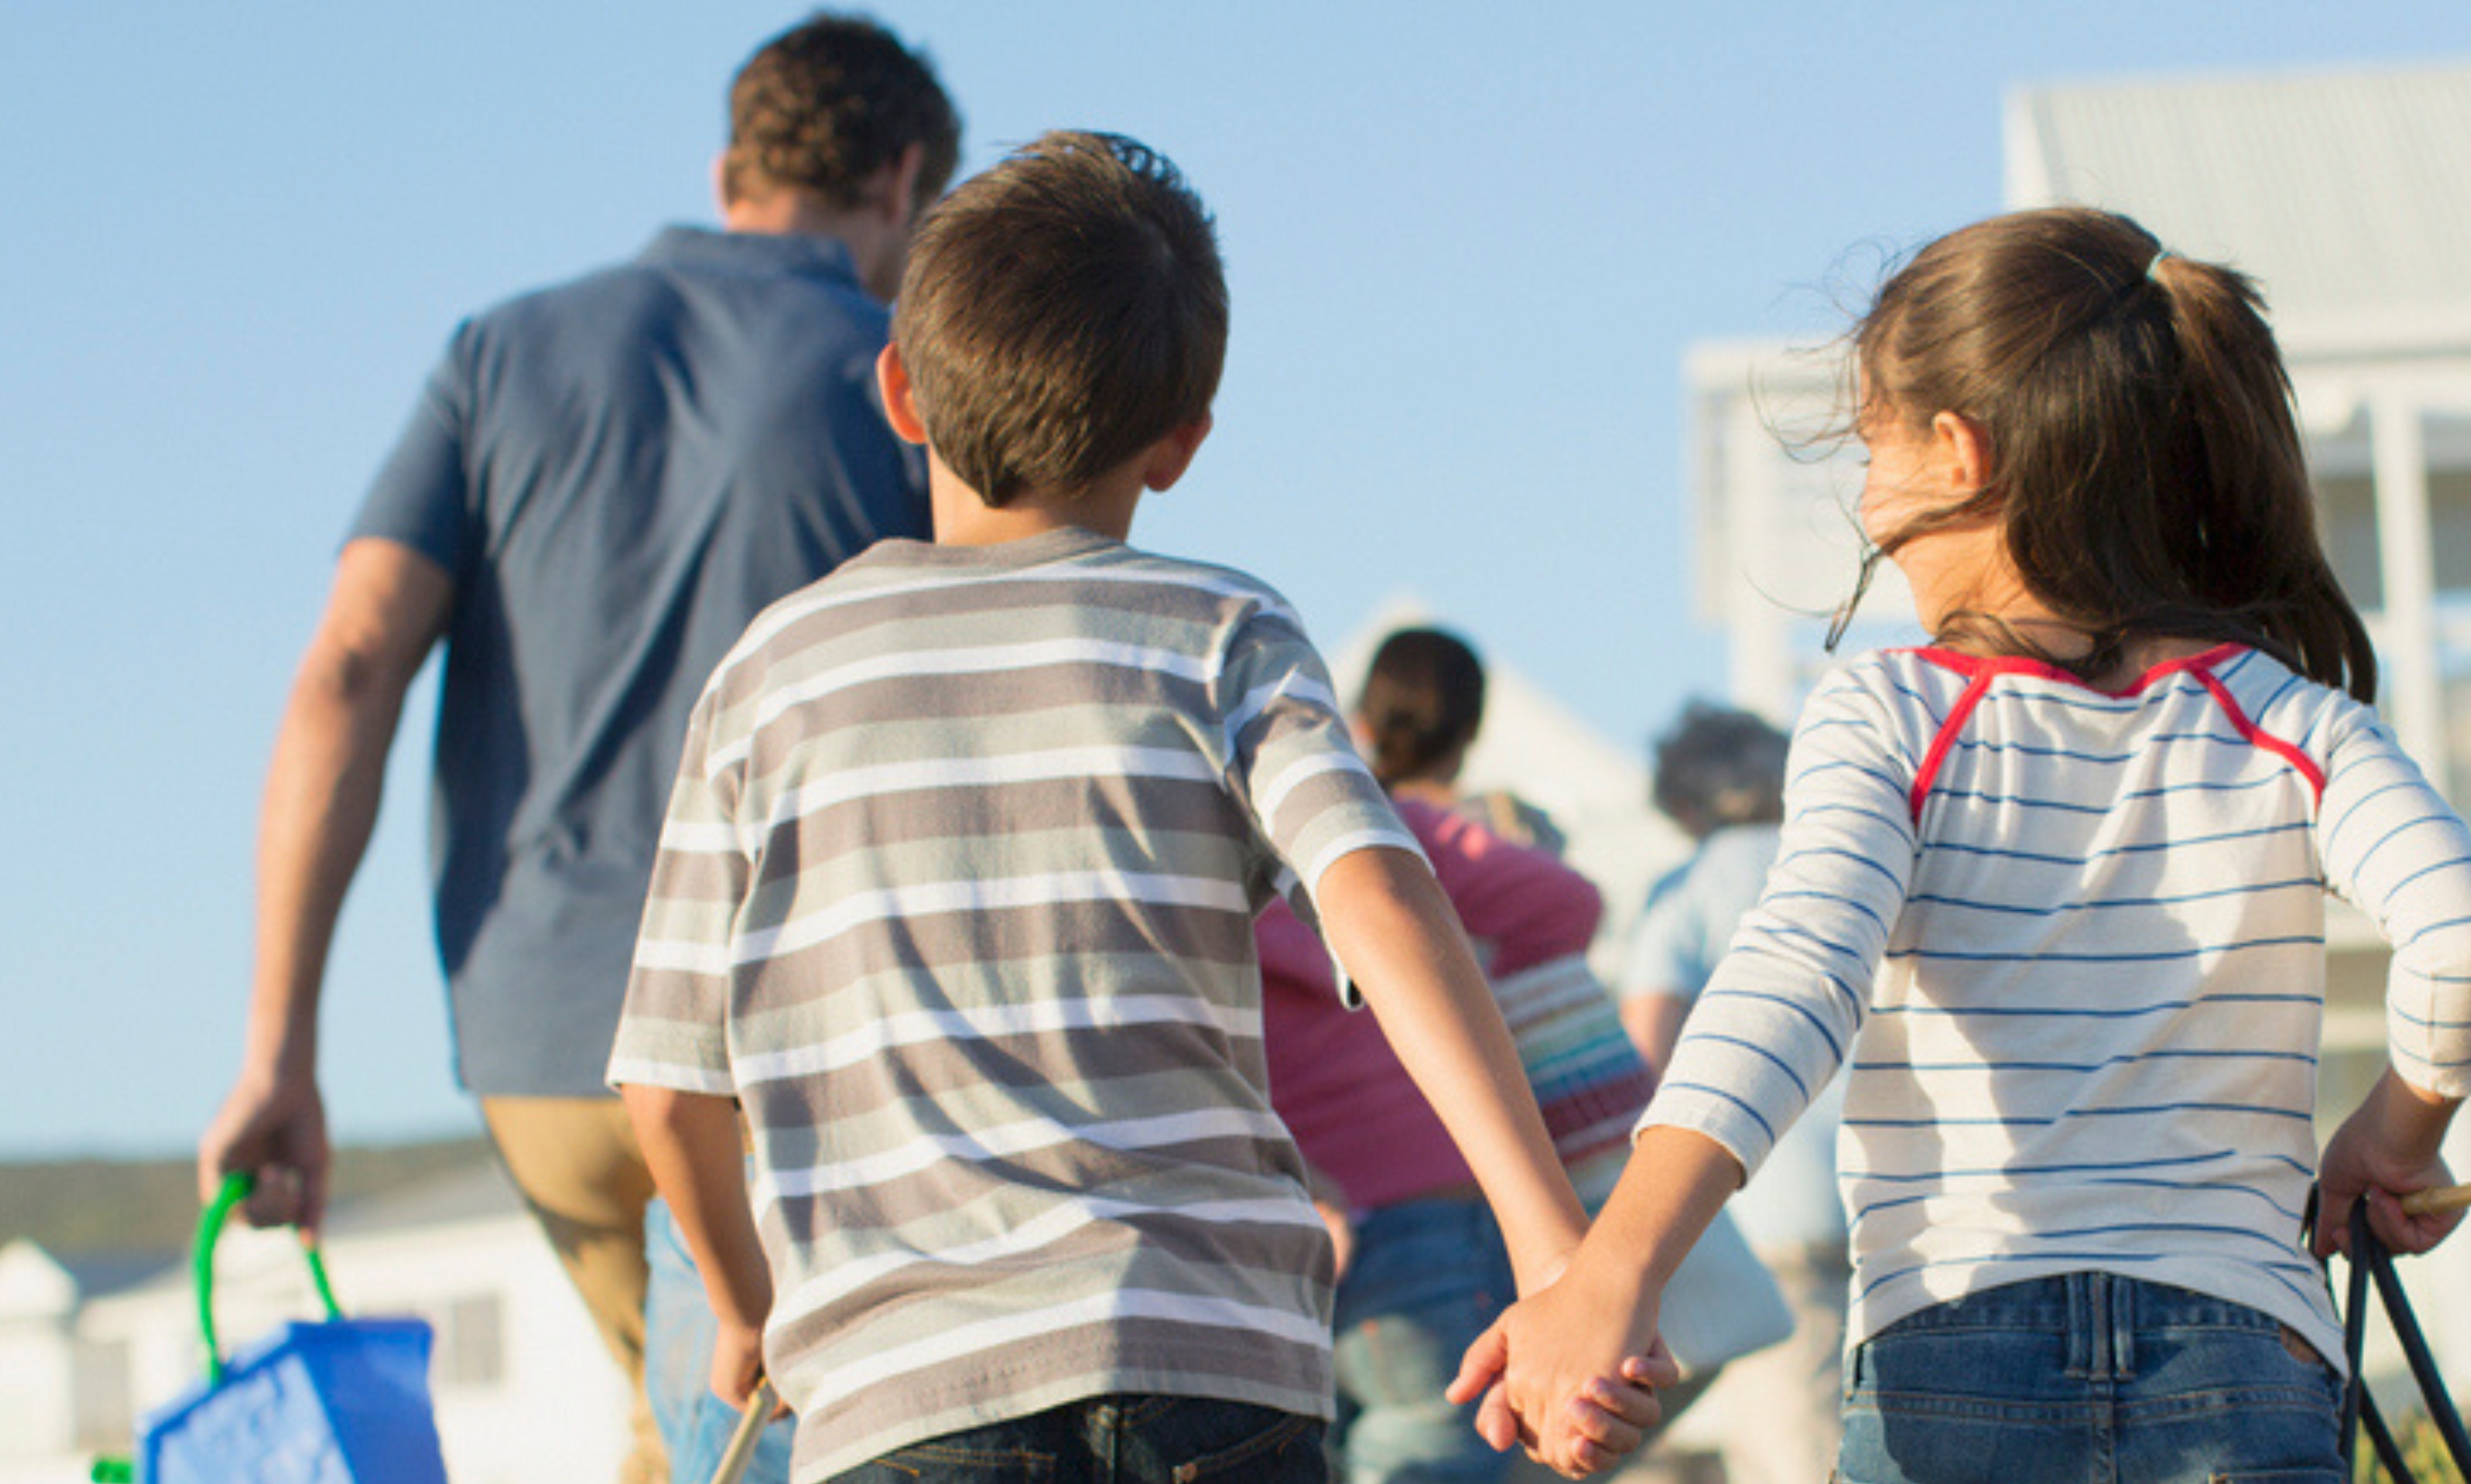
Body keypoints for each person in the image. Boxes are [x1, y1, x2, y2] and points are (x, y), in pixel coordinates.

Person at [605, 132, 1652, 1484]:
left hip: (908, 1400)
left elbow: (667, 1087)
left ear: (899, 392)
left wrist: (747, 1302)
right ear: (1181, 442)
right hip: (1212, 1382)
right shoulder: (1223, 635)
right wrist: (1547, 1238)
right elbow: (1381, 896)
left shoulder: (771, 678)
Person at [1455, 206, 2471, 1483]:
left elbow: (1799, 974)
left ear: (1957, 455)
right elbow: (2467, 932)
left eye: (1870, 448)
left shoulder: (1896, 710)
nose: (1862, 498)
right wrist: (2394, 1140)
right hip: (2246, 1368)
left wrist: (1614, 1269)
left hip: (1960, 1356)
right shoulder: (2289, 719)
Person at [195, 15, 952, 1484]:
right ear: (904, 177)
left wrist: (278, 1044)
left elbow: (346, 666)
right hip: (776, 1051)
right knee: (773, 1423)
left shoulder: (497, 351)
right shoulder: (901, 374)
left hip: (539, 1052)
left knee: (674, 1412)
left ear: (730, 164)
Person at [1261, 628, 1660, 1484]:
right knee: (1433, 1446)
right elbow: (1566, 905)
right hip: (1428, 1211)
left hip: (1272, 1218)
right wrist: (1460, 968)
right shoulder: (1386, 827)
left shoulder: (1191, 846)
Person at [1612, 702, 1841, 1484]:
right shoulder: (1844, 863)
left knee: (1795, 1458)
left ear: (1682, 804)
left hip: (1770, 1210)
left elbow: (1645, 1059)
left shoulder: (1691, 886)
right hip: (1904, 1206)